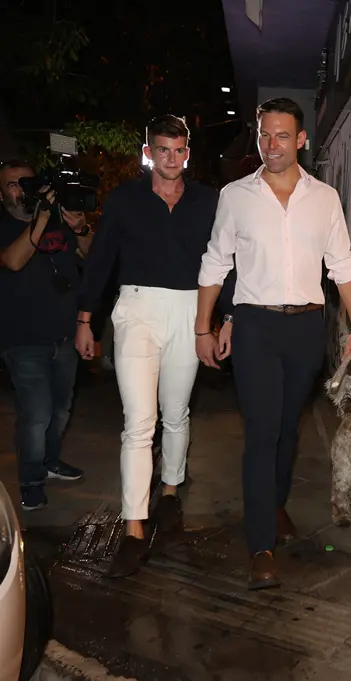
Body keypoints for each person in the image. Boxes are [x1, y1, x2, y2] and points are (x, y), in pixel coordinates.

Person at [196, 97, 351, 590]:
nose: (272, 145)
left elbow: (343, 265)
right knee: (262, 433)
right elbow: (215, 263)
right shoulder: (235, 196)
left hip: (306, 328)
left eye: (282, 135)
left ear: (301, 140)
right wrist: (204, 328)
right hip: (255, 327)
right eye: (264, 135)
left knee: (289, 430)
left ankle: (274, 503)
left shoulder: (324, 198)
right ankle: (261, 546)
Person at [75, 115, 219, 577]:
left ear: (187, 154)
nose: (171, 158)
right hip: (136, 309)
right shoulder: (124, 200)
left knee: (176, 412)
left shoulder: (208, 201)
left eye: (178, 150)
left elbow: (223, 262)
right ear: (148, 152)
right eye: (162, 150)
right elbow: (100, 261)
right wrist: (85, 319)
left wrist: (225, 319)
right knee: (139, 423)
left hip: (190, 310)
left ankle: (171, 491)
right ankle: (133, 527)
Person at [0, 160, 90, 511]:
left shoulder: (57, 219)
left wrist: (82, 228)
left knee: (60, 410)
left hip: (65, 334)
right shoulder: (5, 224)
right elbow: (14, 261)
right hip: (22, 338)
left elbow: (91, 255)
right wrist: (39, 219)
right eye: (13, 185)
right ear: (1, 194)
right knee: (36, 413)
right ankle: (31, 481)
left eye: (27, 182)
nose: (22, 189)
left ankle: (50, 462)